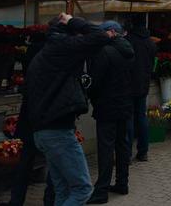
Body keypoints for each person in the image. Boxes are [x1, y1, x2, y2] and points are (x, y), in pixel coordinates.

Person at [26, 13, 113, 206]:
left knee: (63, 189)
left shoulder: (48, 51)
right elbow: (100, 36)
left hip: (44, 130)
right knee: (82, 189)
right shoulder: (62, 47)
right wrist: (74, 21)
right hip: (57, 130)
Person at [1, 31, 55, 206]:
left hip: (30, 115)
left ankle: (16, 201)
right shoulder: (54, 55)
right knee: (53, 161)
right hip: (48, 116)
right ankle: (49, 199)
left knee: (24, 162)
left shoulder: (31, 54)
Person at [87, 21, 135, 204]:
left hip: (107, 105)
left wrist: (92, 95)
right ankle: (123, 183)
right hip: (125, 104)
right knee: (122, 146)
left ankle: (101, 191)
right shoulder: (129, 51)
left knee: (105, 148)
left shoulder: (105, 52)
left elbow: (95, 81)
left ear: (111, 32)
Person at [125, 14, 157, 162]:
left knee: (129, 119)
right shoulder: (150, 42)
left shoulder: (128, 41)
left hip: (129, 84)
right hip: (144, 84)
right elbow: (153, 63)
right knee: (142, 117)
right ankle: (143, 152)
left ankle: (127, 154)